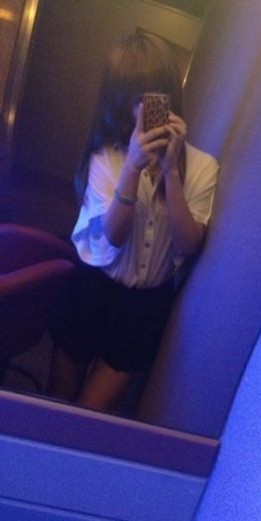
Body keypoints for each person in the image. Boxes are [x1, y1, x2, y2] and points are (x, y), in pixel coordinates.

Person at [48, 32, 218, 412]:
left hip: (144, 307)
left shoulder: (202, 167)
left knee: (90, 415)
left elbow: (188, 245)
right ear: (117, 99)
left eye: (151, 95)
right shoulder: (106, 159)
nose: (141, 108)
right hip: (92, 287)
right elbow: (115, 235)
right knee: (58, 400)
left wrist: (172, 172)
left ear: (170, 94)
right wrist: (132, 166)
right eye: (131, 96)